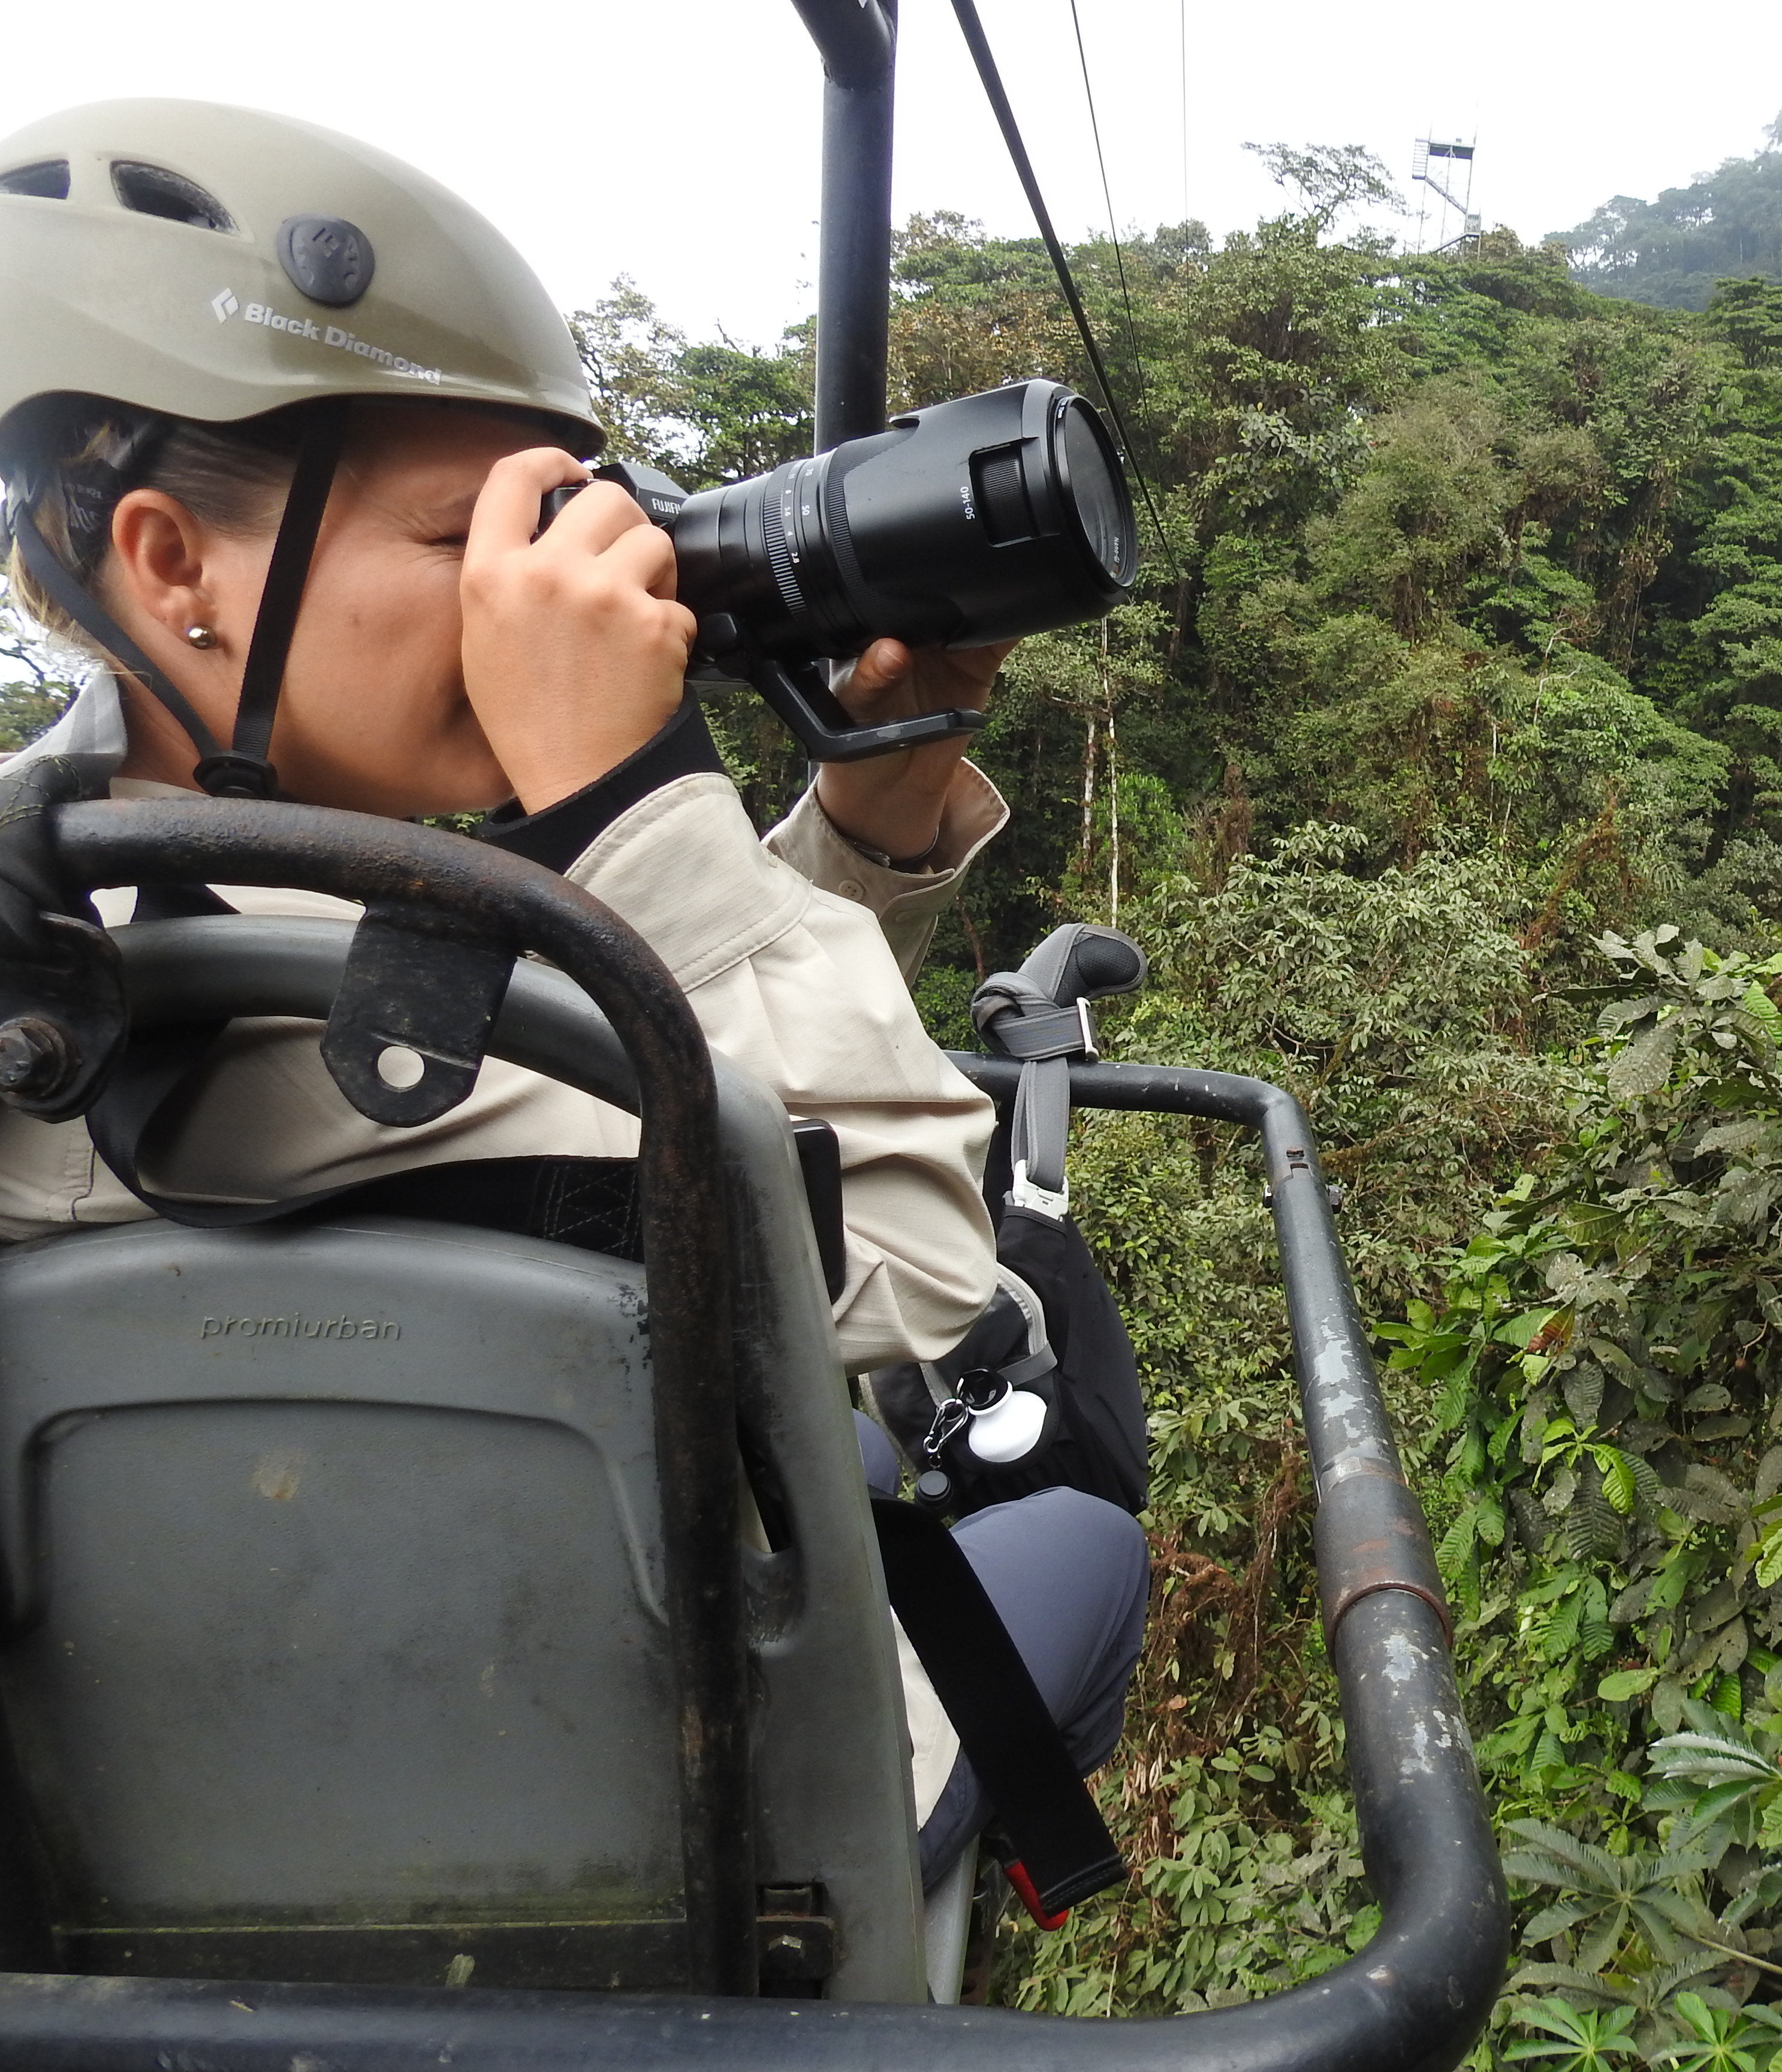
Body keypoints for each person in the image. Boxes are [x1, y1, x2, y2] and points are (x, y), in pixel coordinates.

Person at [0, 98, 1142, 1896]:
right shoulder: (261, 1005)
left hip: (209, 1849)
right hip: (659, 1860)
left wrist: (862, 814)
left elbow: (646, 1079)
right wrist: (628, 798)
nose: (531, 600)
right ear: (169, 562)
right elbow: (920, 1273)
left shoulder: (114, 929)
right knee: (1075, 1535)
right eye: (473, 538)